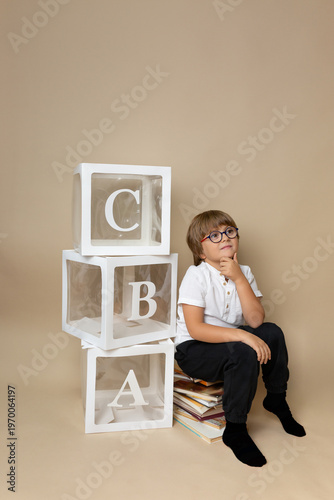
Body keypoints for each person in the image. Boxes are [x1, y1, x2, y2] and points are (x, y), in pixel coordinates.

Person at [175, 210, 305, 467]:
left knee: (272, 332)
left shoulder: (244, 271)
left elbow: (255, 321)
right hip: (195, 349)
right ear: (201, 252)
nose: (225, 237)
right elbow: (196, 329)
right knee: (243, 350)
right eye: (214, 235)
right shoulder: (196, 275)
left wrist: (239, 278)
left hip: (232, 344)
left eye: (229, 231)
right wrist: (241, 336)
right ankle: (235, 429)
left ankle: (276, 398)